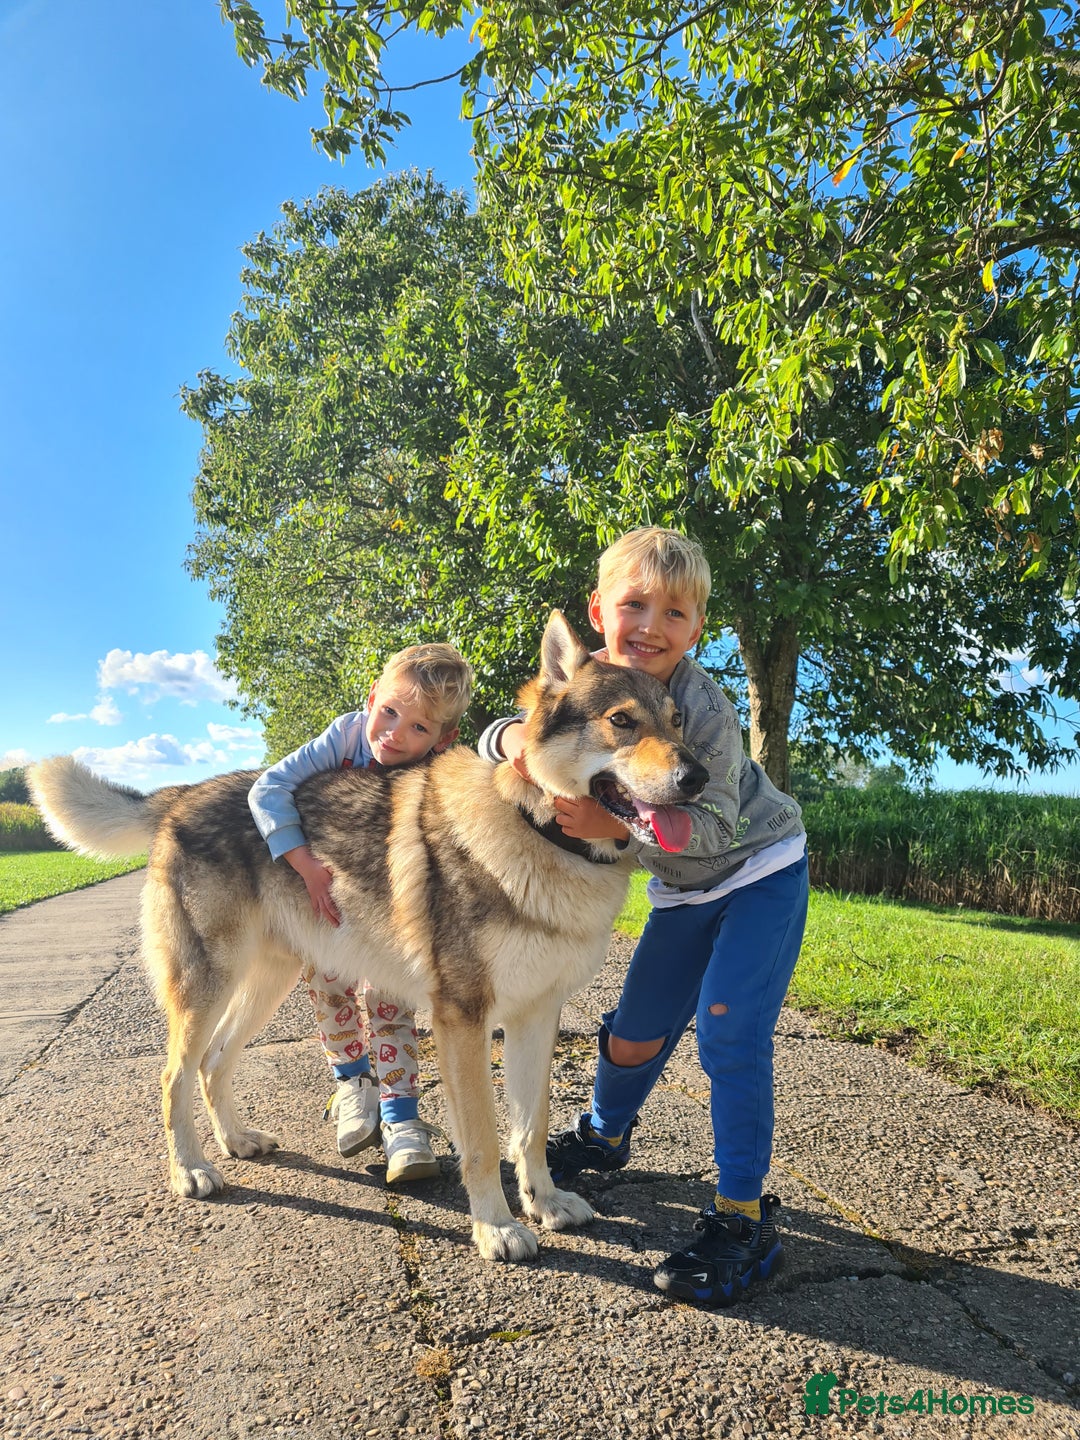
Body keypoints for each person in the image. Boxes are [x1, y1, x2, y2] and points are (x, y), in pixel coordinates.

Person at [479, 527, 808, 1304]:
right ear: (600, 611)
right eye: (635, 604)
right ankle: (605, 1134)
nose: (652, 625)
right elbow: (521, 726)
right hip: (681, 892)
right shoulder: (590, 683)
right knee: (632, 1033)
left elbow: (720, 824)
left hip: (759, 871)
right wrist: (511, 745)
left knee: (728, 1030)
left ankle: (743, 1215)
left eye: (676, 611)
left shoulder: (705, 705)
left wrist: (617, 826)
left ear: (698, 629)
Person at [249, 643, 474, 1183]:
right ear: (371, 698)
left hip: (394, 907)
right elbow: (269, 788)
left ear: (444, 739)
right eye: (389, 712)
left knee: (392, 999)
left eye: (419, 728)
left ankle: (402, 1118)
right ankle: (353, 1085)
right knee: (327, 982)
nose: (395, 733)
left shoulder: (440, 769)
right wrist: (303, 865)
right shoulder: (347, 735)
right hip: (330, 891)